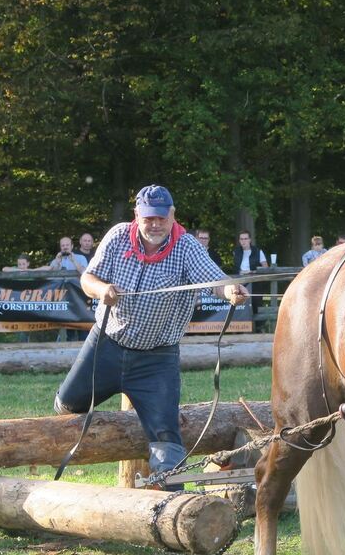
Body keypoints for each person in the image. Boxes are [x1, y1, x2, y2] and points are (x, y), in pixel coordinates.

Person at [53, 184, 247, 476]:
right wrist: (102, 289)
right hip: (106, 345)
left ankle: (174, 504)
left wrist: (231, 289)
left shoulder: (186, 247)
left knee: (166, 438)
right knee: (67, 404)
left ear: (172, 215)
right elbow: (88, 279)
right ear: (137, 216)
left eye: (161, 218)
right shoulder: (118, 236)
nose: (155, 224)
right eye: (148, 218)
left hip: (157, 360)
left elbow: (214, 280)